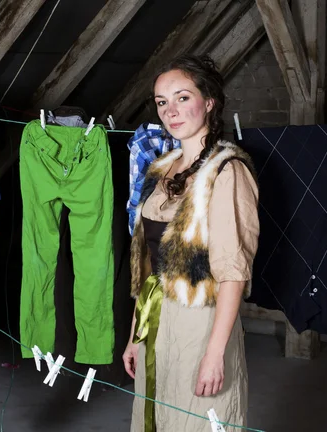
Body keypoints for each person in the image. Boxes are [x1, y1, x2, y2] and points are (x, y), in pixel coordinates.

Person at [122, 54, 260, 432]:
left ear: (209, 102)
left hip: (199, 322)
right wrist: (136, 335)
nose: (171, 110)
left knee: (195, 421)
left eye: (183, 97)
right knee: (155, 417)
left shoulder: (226, 171)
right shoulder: (160, 169)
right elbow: (148, 265)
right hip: (155, 317)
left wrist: (216, 353)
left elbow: (233, 271)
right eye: (162, 102)